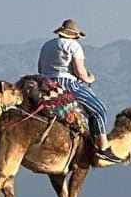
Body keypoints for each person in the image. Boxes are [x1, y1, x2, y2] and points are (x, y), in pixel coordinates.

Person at [37, 19, 123, 163]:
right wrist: (90, 78)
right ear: (75, 36)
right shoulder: (74, 46)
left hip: (44, 83)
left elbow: (40, 68)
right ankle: (103, 148)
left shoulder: (47, 45)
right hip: (66, 83)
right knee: (99, 109)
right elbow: (80, 72)